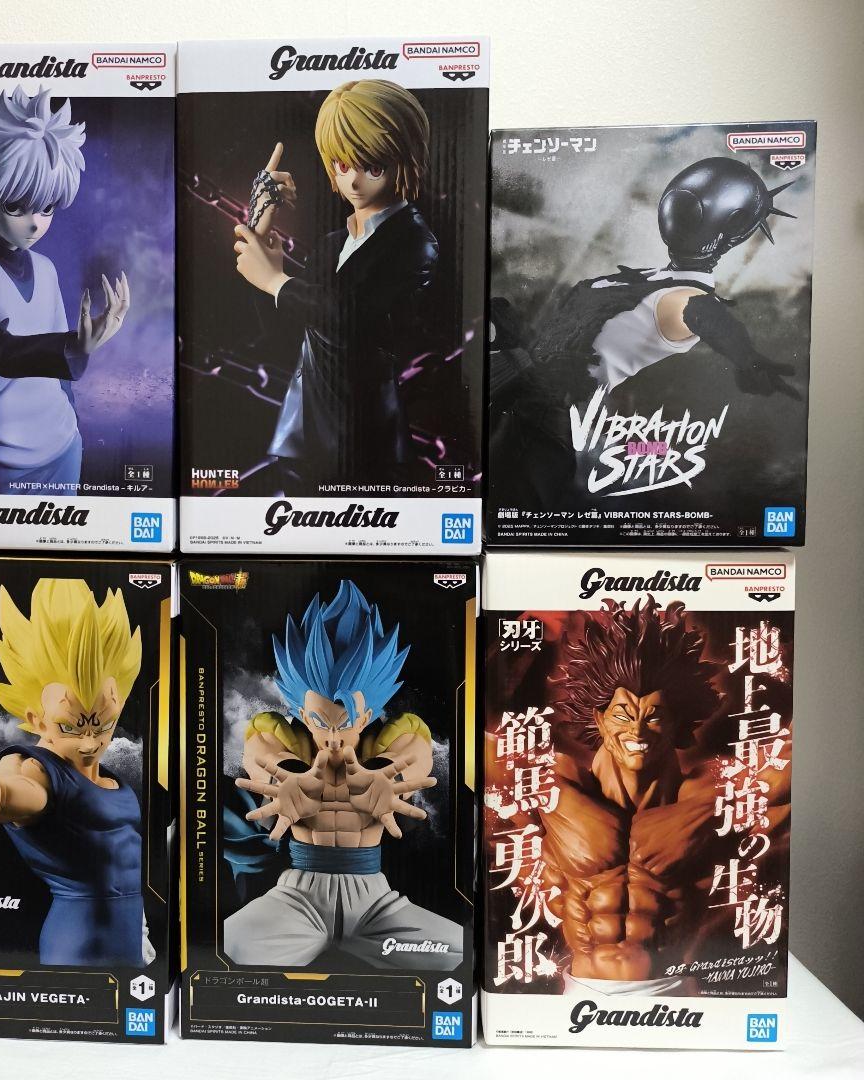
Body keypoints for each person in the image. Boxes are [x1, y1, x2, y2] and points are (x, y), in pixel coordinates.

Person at [507, 597, 789, 995]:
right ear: (599, 720)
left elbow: (788, 764)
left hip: (670, 989)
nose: (637, 732)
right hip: (583, 991)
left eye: (654, 716)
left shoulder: (707, 795)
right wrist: (522, 635)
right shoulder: (557, 785)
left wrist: (777, 638)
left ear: (676, 722)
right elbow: (479, 743)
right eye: (623, 715)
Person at [489, 157, 799, 508]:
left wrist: (746, 358)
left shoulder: (683, 298)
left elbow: (703, 314)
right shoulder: (649, 280)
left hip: (541, 425)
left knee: (504, 508)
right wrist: (517, 337)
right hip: (516, 395)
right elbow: (569, 343)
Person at [0, 578, 153, 967]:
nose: (90, 741)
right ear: (36, 719)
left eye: (104, 724)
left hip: (131, 942)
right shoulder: (38, 770)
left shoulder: (110, 777)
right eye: (71, 726)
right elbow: (12, 792)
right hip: (80, 944)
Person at [226, 580, 462, 970]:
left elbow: (414, 749)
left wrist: (387, 780)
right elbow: (262, 749)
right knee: (232, 945)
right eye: (321, 721)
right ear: (303, 714)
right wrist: (285, 781)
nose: (333, 737)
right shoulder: (283, 738)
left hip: (376, 903)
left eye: (347, 722)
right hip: (298, 898)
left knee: (455, 953)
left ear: (366, 716)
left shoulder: (389, 740)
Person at [232, 80, 438, 487]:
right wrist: (261, 227)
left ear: (405, 159)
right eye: (343, 166)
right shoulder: (332, 245)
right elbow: (286, 328)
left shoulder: (415, 242)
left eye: (373, 167)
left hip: (363, 442)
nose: (354, 181)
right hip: (302, 431)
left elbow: (350, 318)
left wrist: (276, 280)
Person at [0, 86, 129, 495]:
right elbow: (3, 354)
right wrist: (75, 345)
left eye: (46, 208)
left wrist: (80, 352)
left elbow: (62, 375)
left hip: (63, 446)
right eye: (16, 206)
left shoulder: (45, 269)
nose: (34, 222)